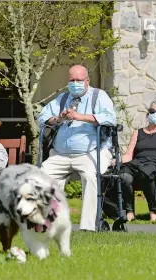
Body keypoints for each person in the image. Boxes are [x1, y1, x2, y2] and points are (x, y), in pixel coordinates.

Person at [37, 65, 117, 232]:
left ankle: (88, 227)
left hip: (92, 151)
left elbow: (110, 118)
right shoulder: (62, 98)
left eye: (78, 80)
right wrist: (58, 118)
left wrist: (81, 117)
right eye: (71, 80)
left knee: (90, 176)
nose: (75, 83)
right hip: (61, 154)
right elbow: (42, 118)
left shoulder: (98, 96)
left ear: (87, 80)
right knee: (43, 175)